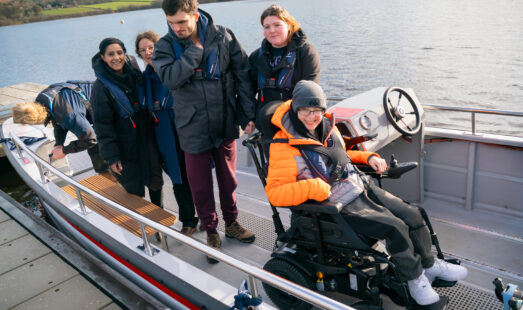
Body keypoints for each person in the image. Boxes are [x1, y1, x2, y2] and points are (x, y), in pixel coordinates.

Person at [265, 80, 468, 306]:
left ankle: (429, 265)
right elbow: (275, 193)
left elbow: (340, 156)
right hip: (336, 205)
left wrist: (368, 158)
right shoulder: (282, 146)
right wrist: (313, 187)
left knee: (413, 214)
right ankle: (414, 278)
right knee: (395, 228)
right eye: (306, 111)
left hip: (360, 185)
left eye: (318, 111)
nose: (312, 117)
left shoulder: (327, 128)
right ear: (296, 108)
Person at [153, 0, 256, 263]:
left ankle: (231, 224)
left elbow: (242, 75)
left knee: (229, 181)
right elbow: (170, 79)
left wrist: (247, 116)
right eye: (171, 22)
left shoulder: (223, 35)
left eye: (181, 22)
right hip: (191, 127)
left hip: (224, 121)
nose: (176, 28)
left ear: (195, 16)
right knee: (200, 187)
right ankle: (211, 231)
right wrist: (193, 53)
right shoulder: (165, 46)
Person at [135, 30, 198, 236]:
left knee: (196, 178)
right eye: (142, 50)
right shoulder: (144, 79)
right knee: (179, 180)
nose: (147, 52)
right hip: (163, 138)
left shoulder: (174, 69)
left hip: (184, 131)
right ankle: (188, 221)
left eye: (151, 47)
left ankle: (204, 218)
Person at [90, 37, 164, 211]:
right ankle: (141, 226)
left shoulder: (135, 74)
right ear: (103, 57)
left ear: (125, 53)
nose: (116, 58)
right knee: (134, 190)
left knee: (155, 181)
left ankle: (158, 215)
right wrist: (111, 157)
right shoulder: (100, 87)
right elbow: (102, 125)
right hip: (124, 148)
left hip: (146, 140)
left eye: (119, 53)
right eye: (110, 54)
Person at [12, 81, 109, 175]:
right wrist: (59, 144)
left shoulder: (70, 116)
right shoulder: (43, 100)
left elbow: (90, 139)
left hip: (111, 103)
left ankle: (113, 176)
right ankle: (106, 173)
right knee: (95, 145)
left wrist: (64, 151)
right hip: (99, 94)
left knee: (97, 142)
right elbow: (57, 119)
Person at [249, 4, 320, 114]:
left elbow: (310, 91)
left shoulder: (306, 52)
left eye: (277, 25)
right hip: (264, 119)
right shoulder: (255, 57)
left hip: (295, 118)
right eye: (267, 27)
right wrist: (248, 117)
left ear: (288, 25)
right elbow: (248, 91)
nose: (272, 30)